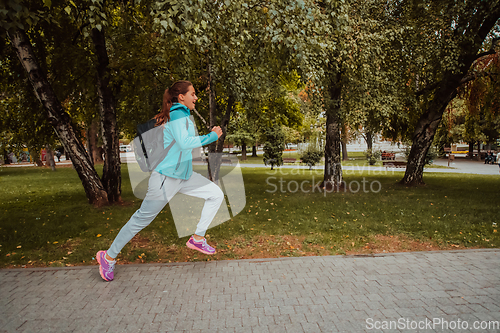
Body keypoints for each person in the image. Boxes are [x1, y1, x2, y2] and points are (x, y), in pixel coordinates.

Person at [96, 80, 224, 282]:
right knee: (141, 220)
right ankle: (108, 256)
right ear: (181, 96)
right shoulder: (178, 113)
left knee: (215, 194)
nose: (196, 97)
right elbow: (183, 143)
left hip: (184, 176)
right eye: (193, 94)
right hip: (166, 178)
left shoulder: (183, 115)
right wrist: (211, 136)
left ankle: (198, 238)